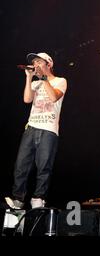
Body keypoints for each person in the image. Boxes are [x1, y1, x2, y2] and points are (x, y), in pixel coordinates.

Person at [5, 52, 67, 209]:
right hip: (32, 127)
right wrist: (28, 78)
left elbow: (53, 98)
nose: (36, 65)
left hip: (49, 129)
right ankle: (18, 199)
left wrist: (44, 78)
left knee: (44, 165)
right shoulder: (35, 83)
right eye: (34, 62)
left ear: (49, 64)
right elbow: (27, 99)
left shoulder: (60, 81)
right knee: (21, 165)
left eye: (39, 62)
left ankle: (39, 197)